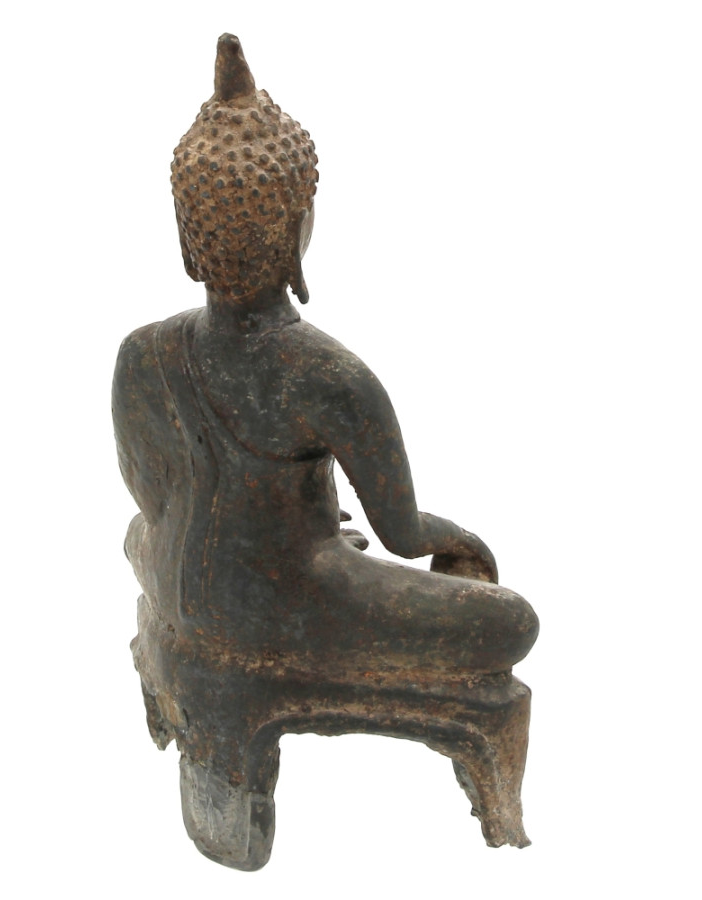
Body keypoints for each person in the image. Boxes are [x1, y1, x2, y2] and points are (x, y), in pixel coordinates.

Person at [114, 34, 537, 682]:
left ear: (184, 236)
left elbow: (155, 499)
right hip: (284, 600)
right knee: (511, 622)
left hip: (181, 587)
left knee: (133, 535)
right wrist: (460, 541)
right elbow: (402, 534)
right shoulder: (328, 378)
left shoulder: (142, 353)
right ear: (296, 231)